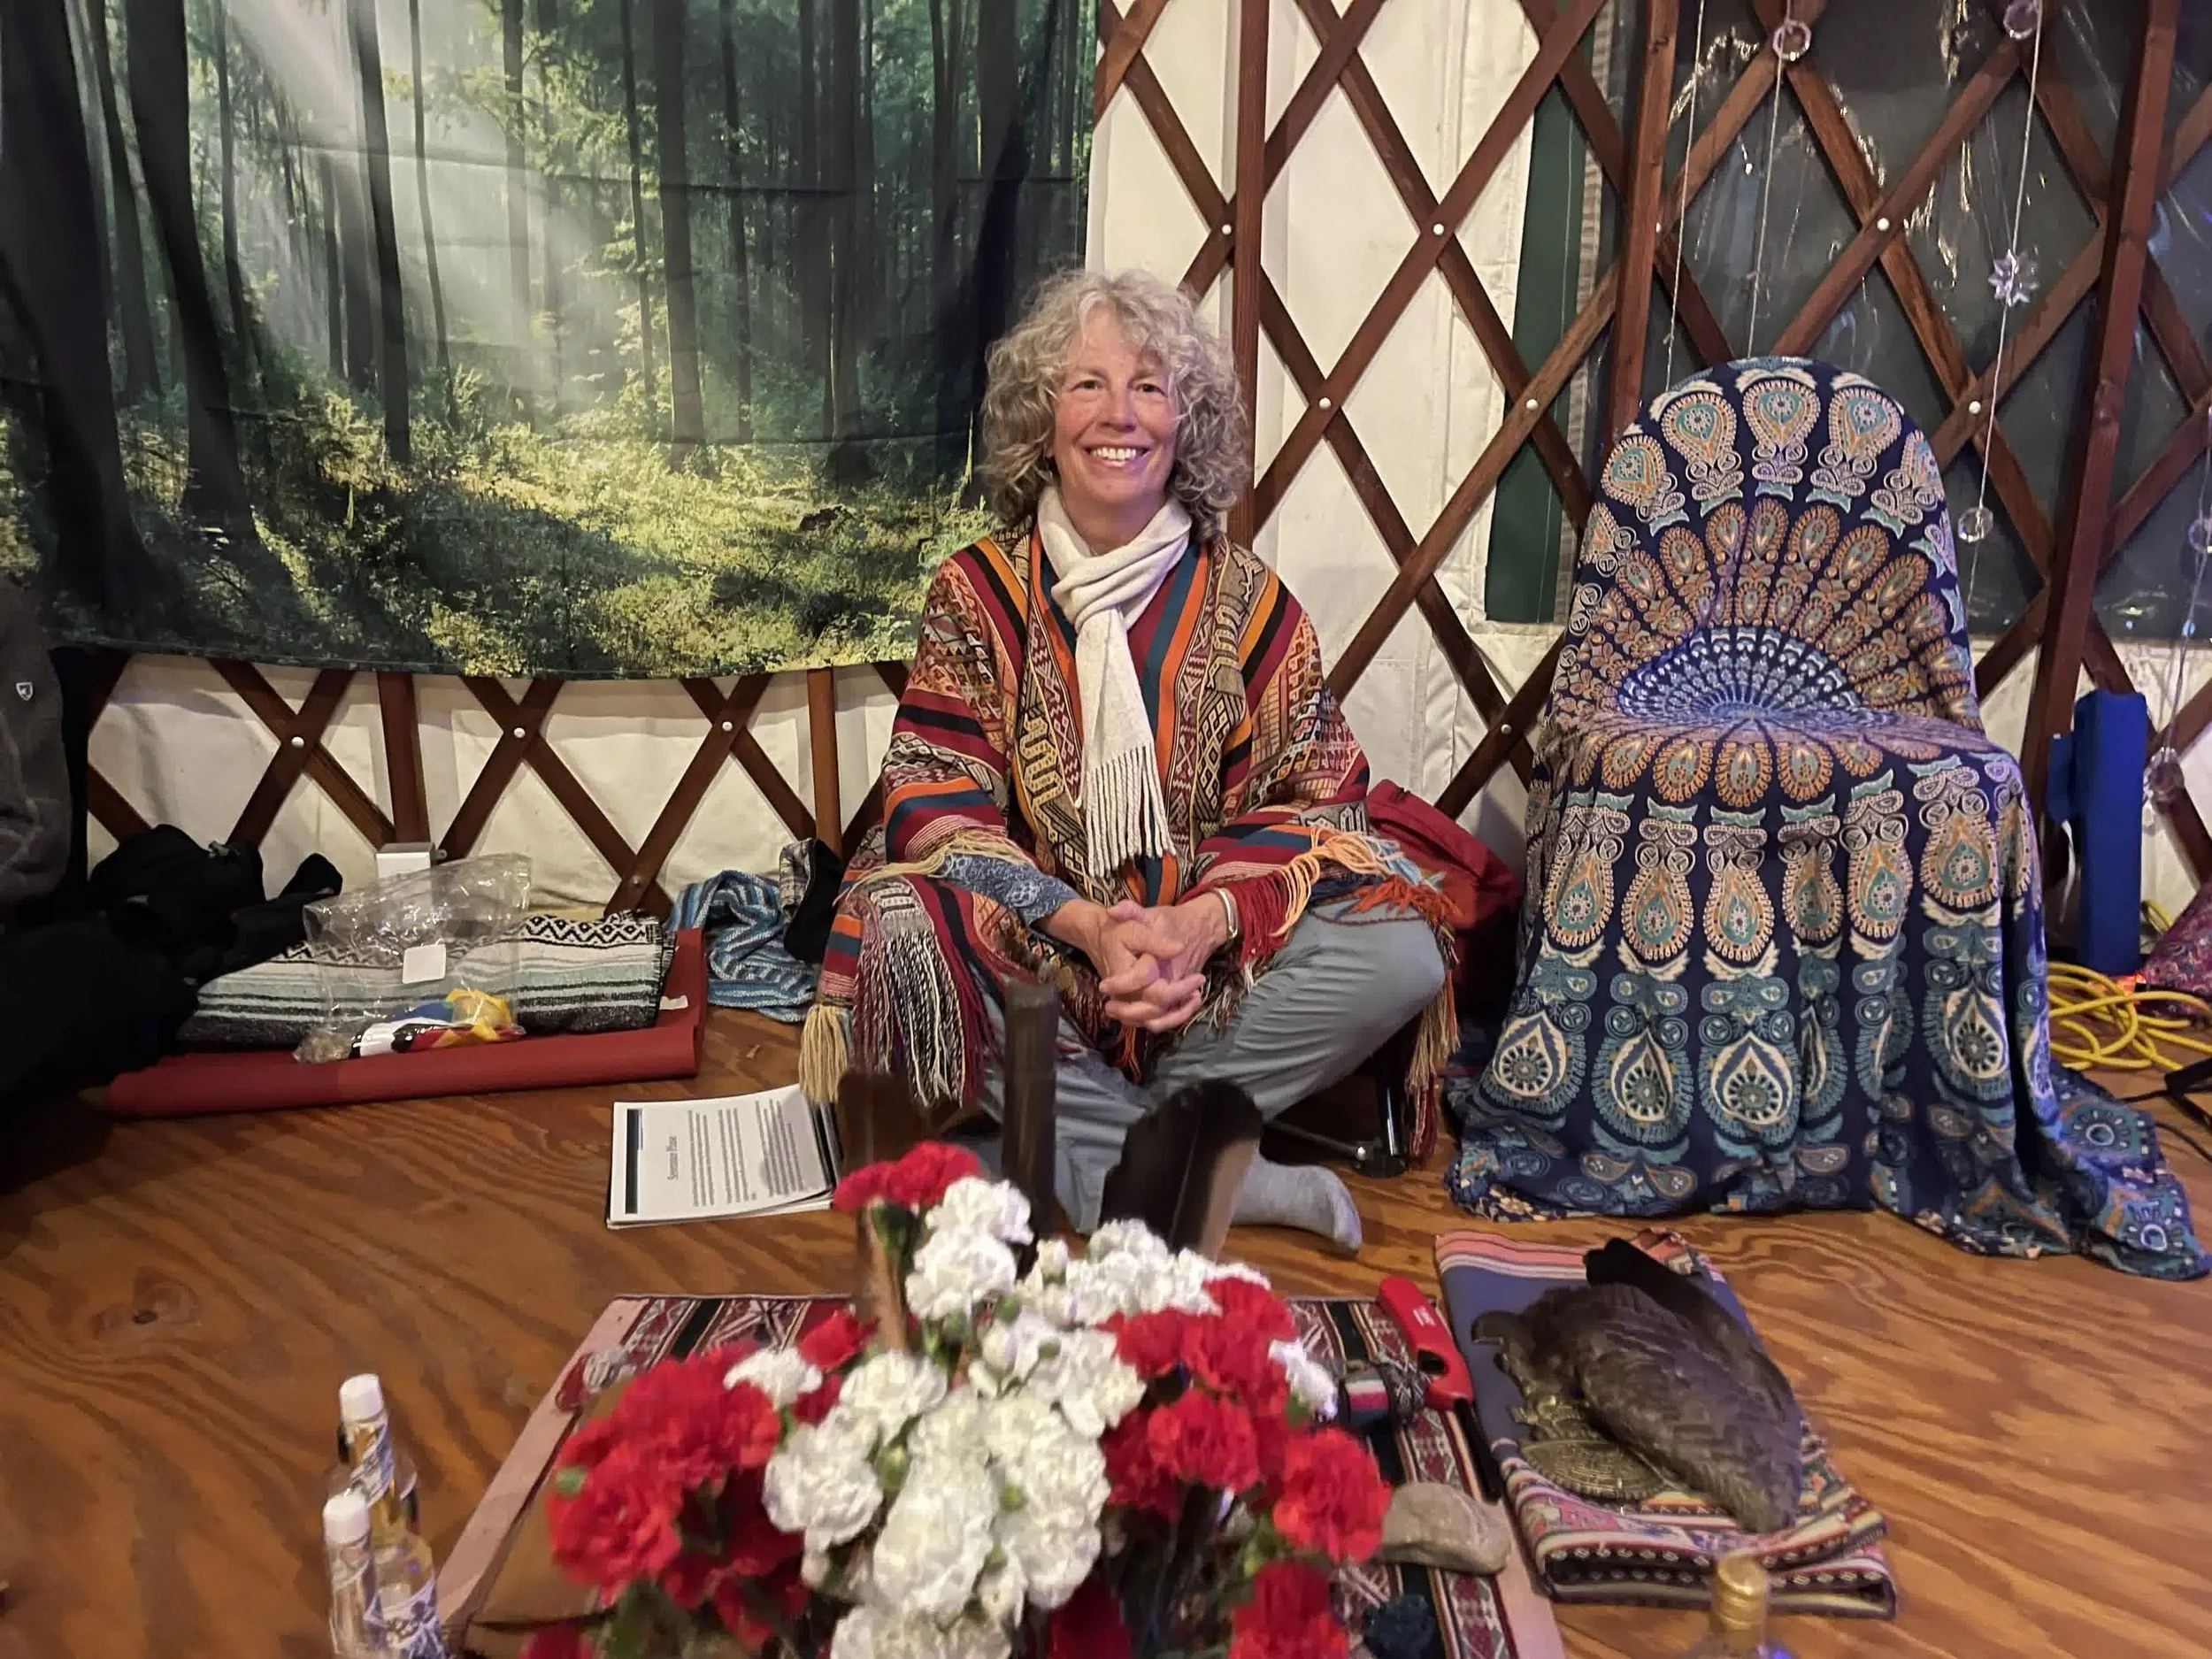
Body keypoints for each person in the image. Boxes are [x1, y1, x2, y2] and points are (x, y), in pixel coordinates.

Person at [802, 268, 1455, 1248]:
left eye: (1149, 386)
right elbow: (935, 801)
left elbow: (1322, 801)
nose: (1120, 415)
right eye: (1085, 385)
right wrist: (1084, 927)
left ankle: (1075, 1140)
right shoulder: (978, 592)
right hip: (1036, 955)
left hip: (1196, 973)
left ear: (1185, 419)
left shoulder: (1250, 604)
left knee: (1401, 949)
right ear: (1041, 419)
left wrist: (1195, 923)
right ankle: (1169, 1165)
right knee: (900, 926)